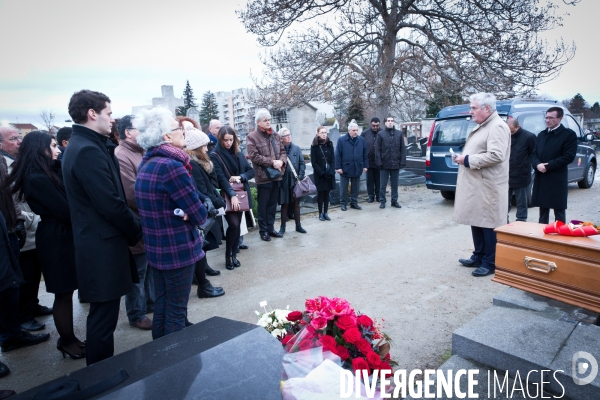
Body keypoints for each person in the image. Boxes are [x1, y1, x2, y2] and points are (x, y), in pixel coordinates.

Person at [62, 90, 143, 365]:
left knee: (104, 315)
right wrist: (137, 230)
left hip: (100, 242)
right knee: (103, 319)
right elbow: (109, 203)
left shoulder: (89, 144)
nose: (112, 120)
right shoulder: (86, 150)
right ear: (92, 114)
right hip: (101, 247)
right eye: (109, 113)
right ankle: (99, 376)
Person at [5, 131, 85, 359]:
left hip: (59, 235)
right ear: (40, 148)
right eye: (53, 145)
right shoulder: (36, 177)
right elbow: (64, 209)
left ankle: (71, 339)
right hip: (55, 238)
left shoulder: (45, 172)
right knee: (62, 293)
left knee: (66, 291)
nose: (58, 149)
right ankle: (67, 341)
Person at [134, 107, 207, 340]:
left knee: (163, 306)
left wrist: (184, 209)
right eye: (178, 129)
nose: (183, 132)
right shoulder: (172, 166)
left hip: (157, 249)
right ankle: (175, 362)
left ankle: (161, 357)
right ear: (166, 136)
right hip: (177, 250)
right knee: (176, 310)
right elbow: (199, 214)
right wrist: (189, 210)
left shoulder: (149, 163)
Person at [453, 93, 510, 277]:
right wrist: (463, 158)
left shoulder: (497, 126)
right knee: (476, 220)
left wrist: (467, 159)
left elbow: (496, 155)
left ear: (487, 108)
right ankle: (478, 255)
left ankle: (490, 261)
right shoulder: (485, 125)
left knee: (488, 223)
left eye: (474, 108)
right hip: (478, 185)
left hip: (488, 186)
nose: (471, 112)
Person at [1, 127, 49, 332]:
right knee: (25, 273)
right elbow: (12, 201)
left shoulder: (15, 163)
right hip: (23, 225)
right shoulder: (6, 166)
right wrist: (28, 219)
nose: (19, 142)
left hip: (31, 225)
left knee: (34, 269)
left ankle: (32, 305)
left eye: (19, 137)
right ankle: (24, 315)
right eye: (13, 139)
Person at [115, 115, 153, 331]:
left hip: (146, 221)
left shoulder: (140, 152)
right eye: (141, 128)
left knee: (147, 268)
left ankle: (148, 304)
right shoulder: (121, 155)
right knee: (138, 271)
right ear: (128, 132)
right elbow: (132, 193)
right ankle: (136, 314)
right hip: (136, 222)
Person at [184, 127, 226, 297]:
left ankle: (202, 273)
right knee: (202, 245)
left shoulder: (201, 162)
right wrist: (216, 201)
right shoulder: (193, 164)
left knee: (204, 246)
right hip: (203, 208)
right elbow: (200, 188)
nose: (207, 149)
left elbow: (212, 182)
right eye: (204, 146)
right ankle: (201, 282)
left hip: (207, 204)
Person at [211, 126, 255, 268]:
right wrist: (232, 195)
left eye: (231, 140)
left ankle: (234, 255)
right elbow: (221, 178)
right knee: (233, 225)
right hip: (227, 194)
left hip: (241, 193)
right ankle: (228, 255)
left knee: (238, 227)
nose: (228, 143)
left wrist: (240, 177)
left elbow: (251, 171)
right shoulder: (215, 155)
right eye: (225, 140)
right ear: (220, 140)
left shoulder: (238, 153)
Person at [531, 107, 577, 224]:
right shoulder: (541, 135)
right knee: (543, 210)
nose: (547, 120)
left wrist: (548, 166)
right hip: (542, 176)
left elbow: (568, 156)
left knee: (559, 211)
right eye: (546, 117)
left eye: (551, 117)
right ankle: (541, 235)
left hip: (557, 178)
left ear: (560, 118)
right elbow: (534, 154)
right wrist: (537, 165)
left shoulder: (568, 135)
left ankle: (560, 237)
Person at [246, 109, 286, 241]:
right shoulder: (252, 137)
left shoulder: (275, 135)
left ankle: (270, 228)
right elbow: (254, 156)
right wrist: (272, 162)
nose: (268, 122)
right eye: (265, 120)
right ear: (258, 122)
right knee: (263, 205)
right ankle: (263, 231)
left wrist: (281, 161)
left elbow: (283, 151)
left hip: (276, 175)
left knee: (273, 205)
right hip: (263, 177)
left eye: (269, 120)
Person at [506, 118, 536, 222]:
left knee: (522, 203)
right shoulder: (505, 136)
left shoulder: (529, 137)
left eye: (512, 131)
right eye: (508, 131)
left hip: (521, 175)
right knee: (503, 203)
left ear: (518, 127)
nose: (510, 133)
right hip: (506, 175)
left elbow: (534, 155)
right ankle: (504, 223)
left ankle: (521, 222)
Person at [278, 128, 306, 234]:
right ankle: (282, 227)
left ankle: (298, 226)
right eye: (286, 135)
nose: (289, 136)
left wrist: (299, 177)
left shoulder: (296, 148)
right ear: (281, 138)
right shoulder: (279, 150)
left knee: (296, 204)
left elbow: (302, 164)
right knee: (284, 204)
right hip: (284, 181)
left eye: (289, 134)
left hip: (295, 180)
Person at [335, 121, 368, 211]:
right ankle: (343, 203)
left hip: (357, 166)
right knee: (344, 187)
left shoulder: (361, 140)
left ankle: (354, 202)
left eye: (357, 130)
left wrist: (365, 165)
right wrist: (338, 167)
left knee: (355, 187)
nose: (356, 132)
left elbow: (365, 153)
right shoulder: (341, 140)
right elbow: (337, 154)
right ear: (349, 130)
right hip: (345, 167)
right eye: (354, 130)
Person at [375, 116, 406, 209]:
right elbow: (377, 150)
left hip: (395, 163)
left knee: (394, 184)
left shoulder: (399, 134)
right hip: (384, 163)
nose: (390, 122)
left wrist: (402, 161)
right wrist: (379, 162)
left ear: (394, 122)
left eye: (392, 121)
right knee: (383, 184)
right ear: (385, 123)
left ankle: (394, 201)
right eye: (388, 121)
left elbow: (402, 148)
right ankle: (382, 201)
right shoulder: (380, 134)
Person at [311, 126, 336, 221]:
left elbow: (333, 159)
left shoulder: (330, 144)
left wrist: (331, 171)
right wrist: (321, 173)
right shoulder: (314, 146)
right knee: (321, 194)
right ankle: (320, 213)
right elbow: (314, 162)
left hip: (329, 173)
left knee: (327, 193)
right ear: (317, 133)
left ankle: (326, 212)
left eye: (325, 132)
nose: (324, 134)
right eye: (322, 132)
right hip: (320, 175)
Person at [361, 118, 381, 203]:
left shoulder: (382, 133)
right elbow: (361, 147)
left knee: (379, 180)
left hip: (379, 161)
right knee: (370, 180)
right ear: (371, 124)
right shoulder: (364, 133)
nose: (375, 127)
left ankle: (379, 196)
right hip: (368, 161)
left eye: (377, 126)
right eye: (373, 126)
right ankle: (370, 196)